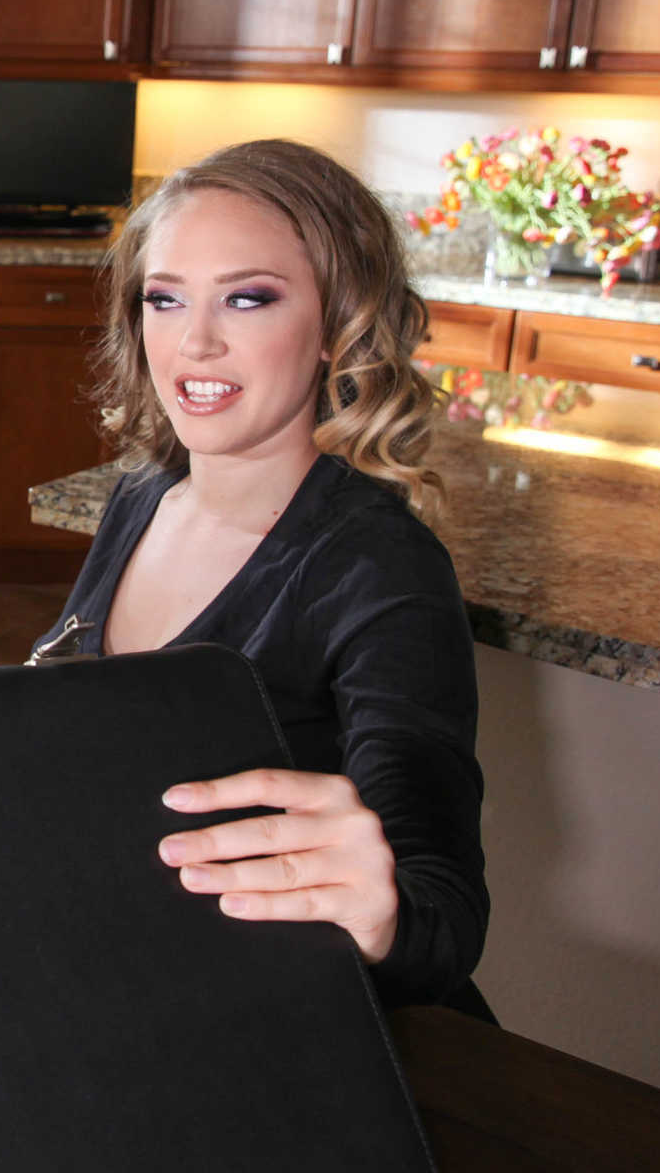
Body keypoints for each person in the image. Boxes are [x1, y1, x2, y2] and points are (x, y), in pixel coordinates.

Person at [44, 139, 492, 1017]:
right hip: (142, 978)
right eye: (164, 298)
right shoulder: (143, 495)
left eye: (246, 298)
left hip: (297, 1019)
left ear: (337, 326)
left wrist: (380, 910)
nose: (194, 341)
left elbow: (442, 917)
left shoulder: (379, 567)